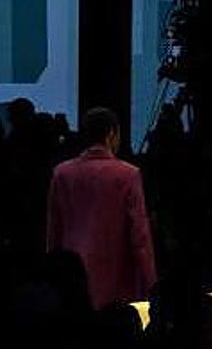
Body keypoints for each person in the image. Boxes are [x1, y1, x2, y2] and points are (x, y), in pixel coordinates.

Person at [46, 107, 157, 308]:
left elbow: (54, 232)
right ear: (112, 133)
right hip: (115, 280)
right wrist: (151, 284)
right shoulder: (128, 174)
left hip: (71, 280)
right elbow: (140, 238)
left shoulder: (61, 173)